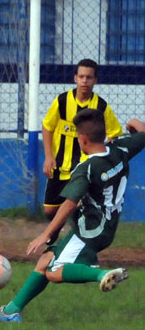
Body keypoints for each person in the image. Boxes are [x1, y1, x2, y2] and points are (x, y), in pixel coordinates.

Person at [0, 109, 145, 323]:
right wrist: (134, 123)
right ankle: (11, 311)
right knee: (46, 261)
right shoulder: (120, 149)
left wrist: (45, 234)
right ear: (104, 133)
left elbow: (69, 203)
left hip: (88, 231)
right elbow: (143, 133)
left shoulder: (86, 168)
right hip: (107, 226)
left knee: (54, 271)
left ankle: (103, 275)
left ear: (83, 139)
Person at [42, 59, 122, 244]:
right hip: (60, 165)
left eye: (89, 77)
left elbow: (114, 134)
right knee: (49, 210)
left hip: (84, 169)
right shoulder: (62, 101)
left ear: (95, 81)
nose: (85, 81)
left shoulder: (101, 106)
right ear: (75, 79)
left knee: (77, 207)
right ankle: (55, 233)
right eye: (81, 77)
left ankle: (75, 243)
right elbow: (47, 127)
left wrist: (100, 157)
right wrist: (48, 156)